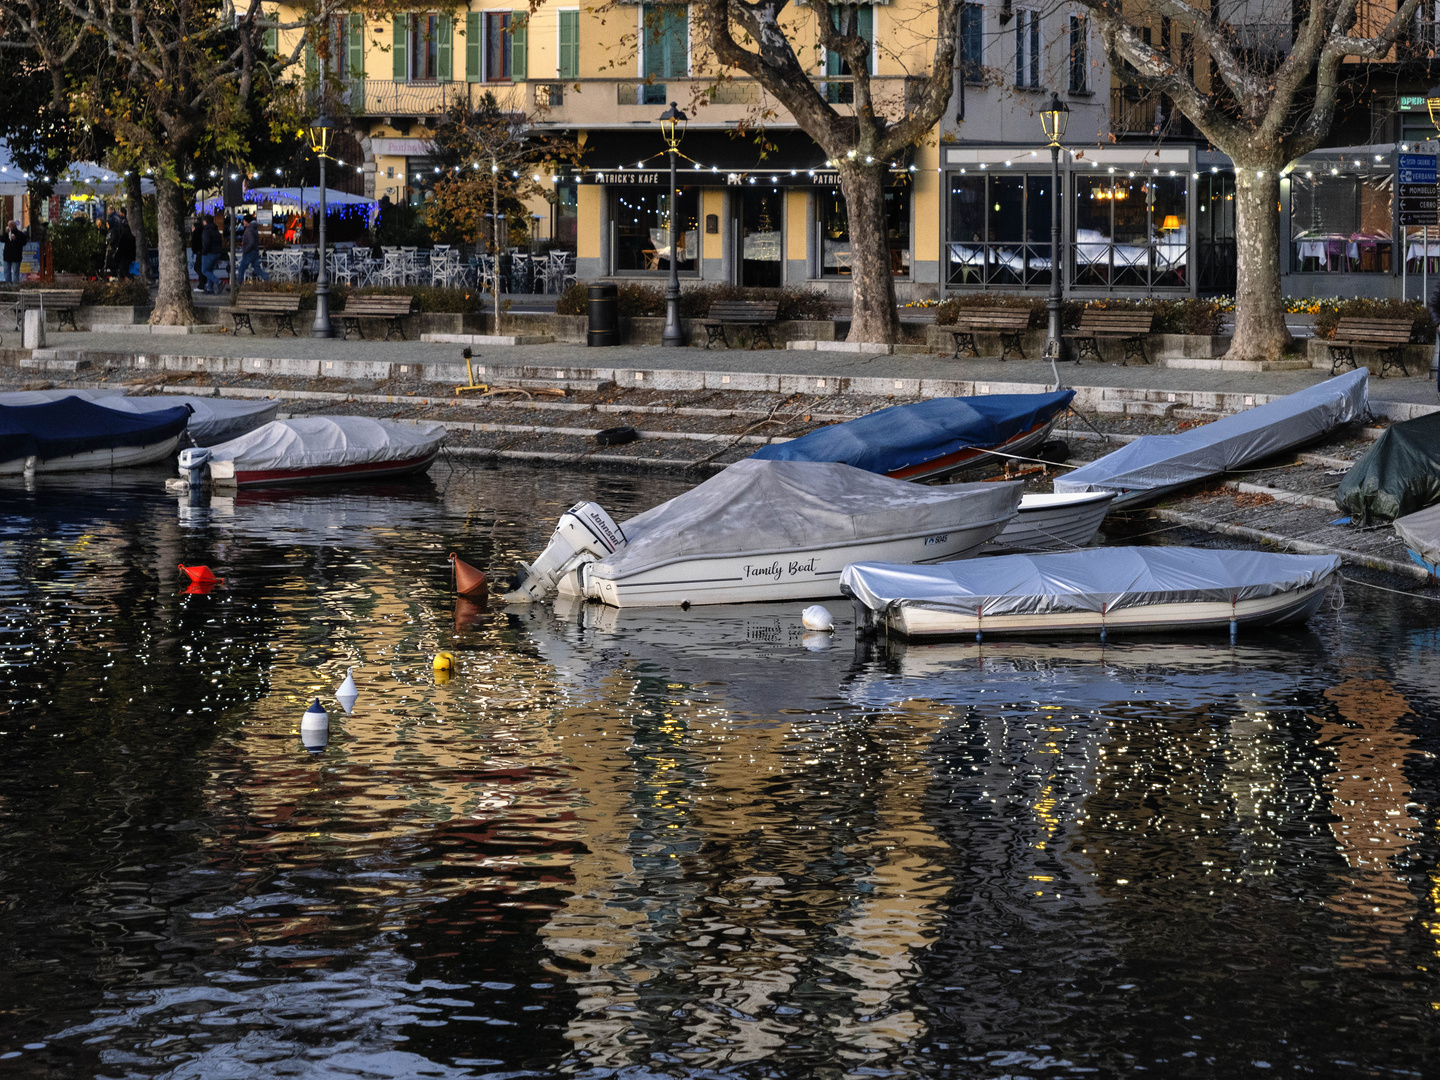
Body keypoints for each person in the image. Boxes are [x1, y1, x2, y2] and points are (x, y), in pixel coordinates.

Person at [236, 213, 268, 285]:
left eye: (244, 220)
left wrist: (245, 250)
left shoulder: (249, 230)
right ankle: (267, 278)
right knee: (257, 269)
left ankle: (238, 284)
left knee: (242, 268)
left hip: (249, 252)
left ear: (247, 221)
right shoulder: (254, 229)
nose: (243, 222)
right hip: (255, 251)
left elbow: (251, 242)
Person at [200, 213, 224, 294]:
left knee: (205, 270)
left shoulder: (206, 231)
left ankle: (219, 282)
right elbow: (220, 242)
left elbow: (206, 243)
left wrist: (203, 252)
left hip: (209, 253)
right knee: (210, 270)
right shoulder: (216, 231)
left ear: (205, 222)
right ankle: (210, 289)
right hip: (217, 253)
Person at [190, 218, 206, 292]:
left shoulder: (196, 232)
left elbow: (193, 242)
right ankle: (204, 282)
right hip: (203, 251)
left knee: (198, 268)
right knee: (201, 268)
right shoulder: (204, 230)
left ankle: (202, 284)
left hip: (199, 251)